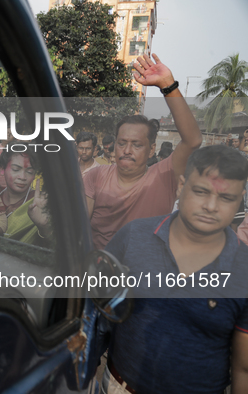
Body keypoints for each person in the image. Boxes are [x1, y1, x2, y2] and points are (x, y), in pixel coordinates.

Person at [102, 145, 248, 393]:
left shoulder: (244, 269)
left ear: (240, 199)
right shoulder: (134, 236)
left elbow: (243, 367)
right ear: (181, 186)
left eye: (225, 198)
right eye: (201, 191)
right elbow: (98, 312)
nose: (211, 206)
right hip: (117, 385)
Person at [84, 54, 203, 250]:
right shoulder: (96, 176)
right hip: (99, 271)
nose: (127, 150)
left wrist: (168, 84)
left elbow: (193, 140)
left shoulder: (164, 177)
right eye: (122, 143)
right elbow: (80, 229)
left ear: (151, 150)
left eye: (137, 145)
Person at [0, 144, 52, 245]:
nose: (22, 177)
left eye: (29, 171)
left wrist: (44, 228)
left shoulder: (40, 204)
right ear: (2, 169)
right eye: (15, 169)